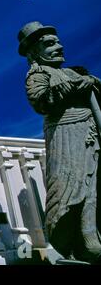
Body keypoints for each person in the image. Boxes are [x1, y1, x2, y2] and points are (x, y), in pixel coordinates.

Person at [19, 21, 101, 263]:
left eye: (58, 41)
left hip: (91, 131)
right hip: (65, 134)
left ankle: (90, 234)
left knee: (93, 183)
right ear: (34, 52)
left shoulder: (77, 72)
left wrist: (92, 81)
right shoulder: (38, 74)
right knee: (70, 184)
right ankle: (77, 238)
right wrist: (75, 86)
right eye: (49, 44)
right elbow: (41, 102)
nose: (59, 46)